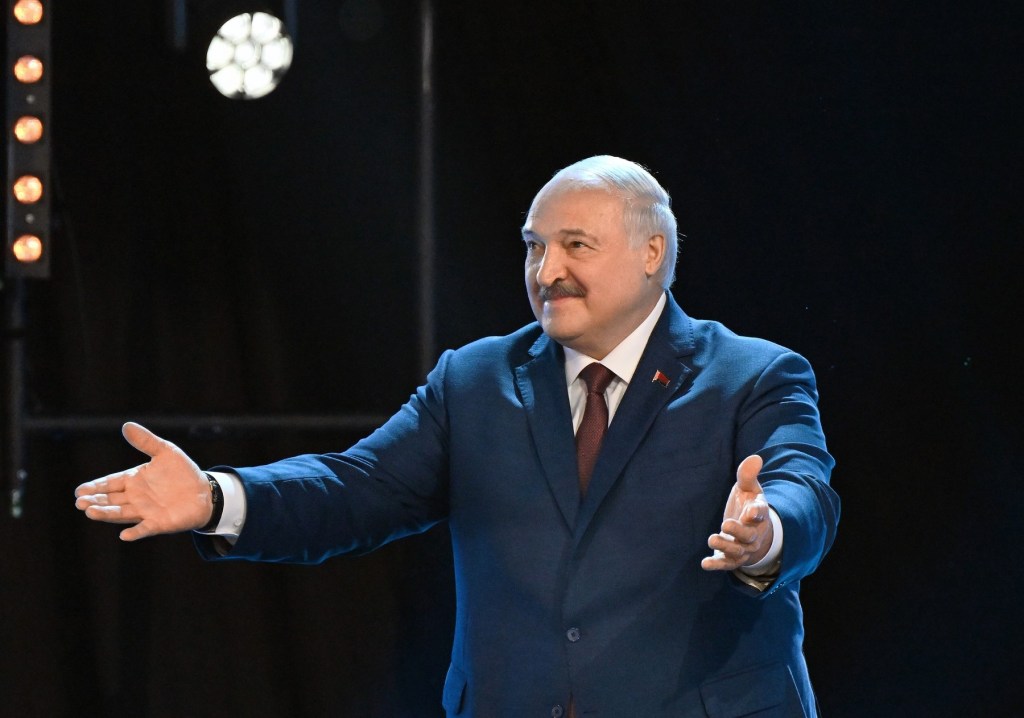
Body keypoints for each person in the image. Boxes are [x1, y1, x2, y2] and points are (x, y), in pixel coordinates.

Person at [76, 155, 839, 717]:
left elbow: (801, 487)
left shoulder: (752, 374)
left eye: (576, 245)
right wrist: (218, 497)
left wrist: (765, 534)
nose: (547, 270)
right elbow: (359, 487)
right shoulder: (473, 381)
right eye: (534, 246)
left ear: (652, 255)